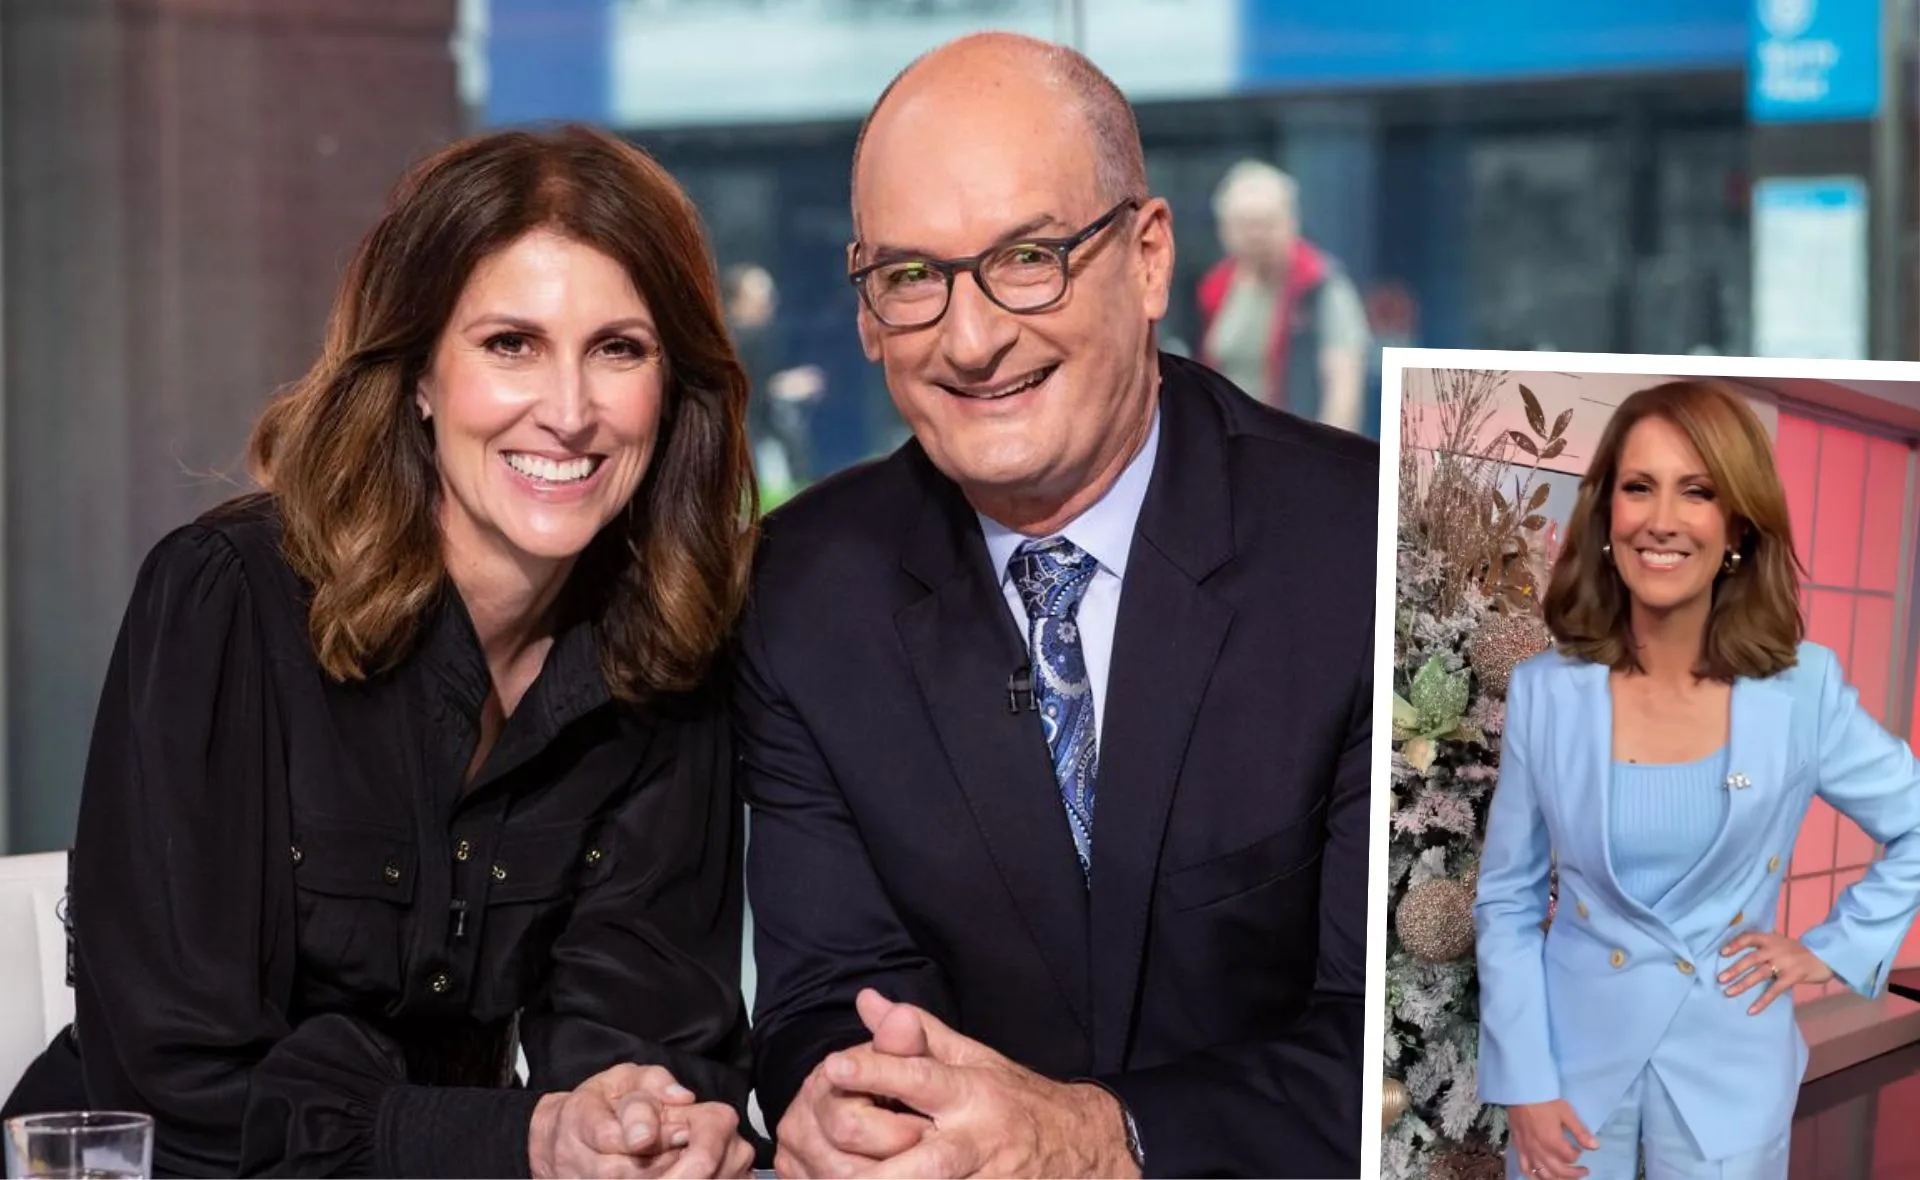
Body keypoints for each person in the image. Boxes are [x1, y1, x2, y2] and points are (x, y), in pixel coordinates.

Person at [1, 125, 762, 1179]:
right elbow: (174, 1084)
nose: (572, 411)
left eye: (618, 350)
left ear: (671, 387)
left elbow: (644, 1026)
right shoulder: (227, 601)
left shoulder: (666, 655)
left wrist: (643, 1121)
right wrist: (520, 1137)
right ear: (418, 376)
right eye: (511, 344)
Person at [735, 32, 1374, 1179]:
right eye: (912, 278)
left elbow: (1405, 1053)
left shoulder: (1365, 553)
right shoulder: (799, 591)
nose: (973, 339)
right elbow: (826, 994)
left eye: (1029, 256)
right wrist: (845, 1103)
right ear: (869, 309)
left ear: (1147, 256)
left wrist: (1098, 1135)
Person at [1475, 380, 1920, 1180]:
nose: (1663, 520)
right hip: (1571, 1069)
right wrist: (1522, 1084)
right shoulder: (1547, 689)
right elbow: (1507, 899)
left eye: (1698, 491)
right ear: (1607, 513)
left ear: (1738, 526)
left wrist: (1832, 951)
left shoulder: (1802, 690)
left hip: (1729, 1064)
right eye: (1639, 487)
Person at [1196, 159, 1372, 434]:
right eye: (1244, 224)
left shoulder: (1321, 286)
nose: (1256, 235)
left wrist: (1325, 457)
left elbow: (1344, 389)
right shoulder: (1214, 287)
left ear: (1291, 222)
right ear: (1225, 229)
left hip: (1297, 449)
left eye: (1266, 223)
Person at [722, 263, 825, 495]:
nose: (768, 305)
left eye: (769, 297)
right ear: (735, 303)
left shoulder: (765, 341)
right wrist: (778, 388)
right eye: (760, 298)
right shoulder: (731, 344)